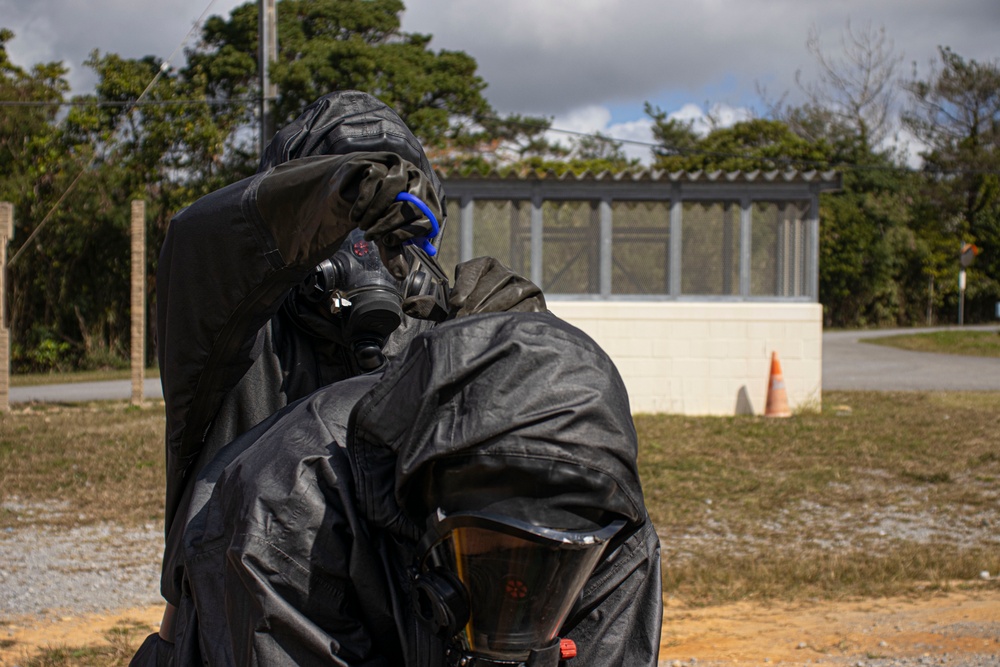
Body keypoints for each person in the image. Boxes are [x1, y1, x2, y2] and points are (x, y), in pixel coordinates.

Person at [133, 91, 661, 666]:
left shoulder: (434, 339)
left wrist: (519, 344)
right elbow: (204, 247)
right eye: (346, 228)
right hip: (235, 631)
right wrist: (332, 189)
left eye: (385, 234)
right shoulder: (240, 335)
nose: (364, 251)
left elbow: (545, 474)